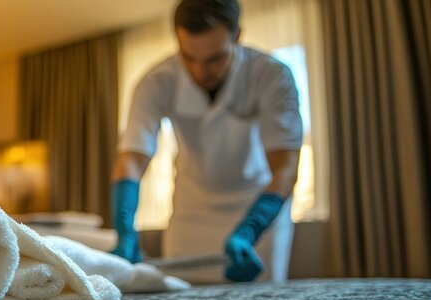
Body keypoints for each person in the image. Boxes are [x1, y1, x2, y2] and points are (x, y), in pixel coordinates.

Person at [110, 0, 302, 283]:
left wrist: (251, 229)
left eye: (214, 59)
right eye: (188, 57)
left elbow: (285, 168)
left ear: (237, 36)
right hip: (191, 214)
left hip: (256, 210)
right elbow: (131, 159)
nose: (200, 72)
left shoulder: (271, 75)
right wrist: (125, 229)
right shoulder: (157, 81)